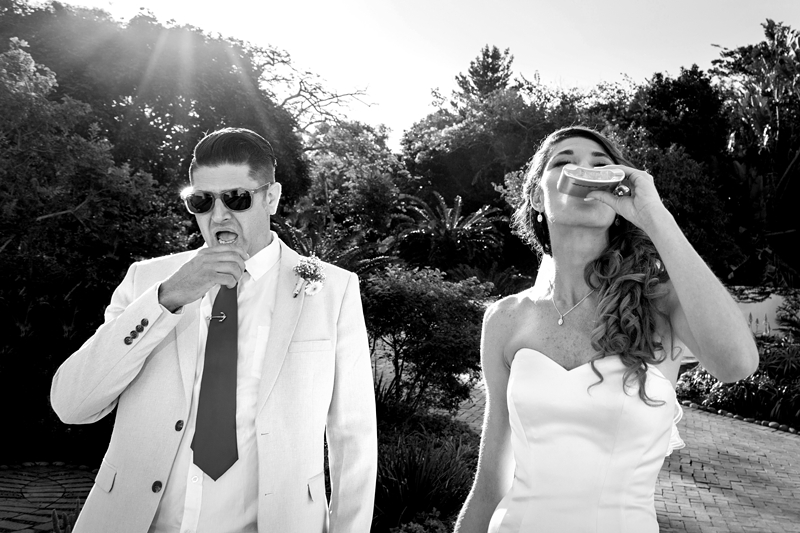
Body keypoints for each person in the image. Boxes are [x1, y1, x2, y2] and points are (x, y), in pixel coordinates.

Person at [51, 128, 377, 533]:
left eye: (236, 199)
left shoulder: (334, 290)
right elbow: (72, 404)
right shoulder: (148, 281)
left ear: (271, 197)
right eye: (201, 201)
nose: (218, 215)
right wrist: (167, 299)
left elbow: (353, 437)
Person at [453, 126, 758, 533]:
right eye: (564, 162)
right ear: (535, 197)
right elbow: (490, 481)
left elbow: (737, 363)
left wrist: (654, 214)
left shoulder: (659, 302)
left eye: (601, 165)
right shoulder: (505, 318)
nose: (584, 170)